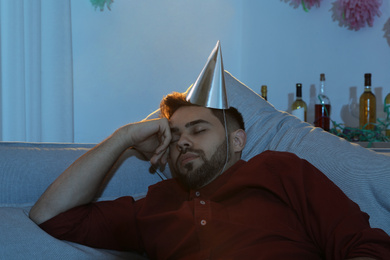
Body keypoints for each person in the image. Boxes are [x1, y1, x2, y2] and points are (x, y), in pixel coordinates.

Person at [29, 92, 390, 259]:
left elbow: (364, 245)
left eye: (198, 130)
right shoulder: (154, 207)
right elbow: (50, 217)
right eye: (173, 137)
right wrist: (124, 137)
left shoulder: (280, 169)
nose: (183, 142)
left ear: (237, 141)